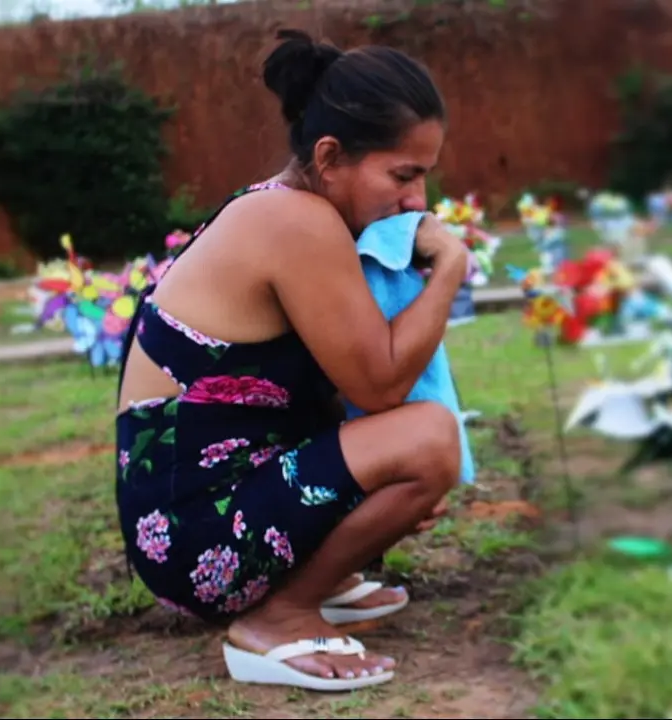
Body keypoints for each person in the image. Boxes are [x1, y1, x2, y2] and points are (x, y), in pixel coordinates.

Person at [114, 28, 468, 691]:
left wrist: (381, 487)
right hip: (196, 542)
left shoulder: (276, 209)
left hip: (194, 526)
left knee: (404, 450)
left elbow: (320, 393)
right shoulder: (296, 223)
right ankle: (277, 615)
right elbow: (385, 386)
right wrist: (450, 268)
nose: (417, 201)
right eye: (403, 174)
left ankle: (312, 581)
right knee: (429, 439)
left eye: (423, 175)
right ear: (330, 156)